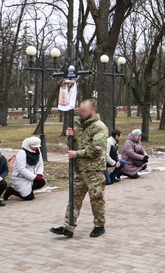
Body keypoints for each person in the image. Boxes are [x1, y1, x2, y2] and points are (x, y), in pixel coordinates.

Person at [51, 99, 108, 238]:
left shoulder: (99, 127)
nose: (80, 113)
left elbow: (96, 150)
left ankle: (99, 225)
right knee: (74, 198)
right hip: (79, 170)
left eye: (84, 111)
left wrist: (77, 154)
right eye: (80, 110)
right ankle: (68, 226)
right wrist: (69, 137)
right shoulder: (78, 126)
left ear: (93, 110)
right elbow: (73, 145)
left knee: (96, 199)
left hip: (94, 171)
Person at [3, 137, 47, 203]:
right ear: (28, 146)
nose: (36, 148)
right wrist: (34, 177)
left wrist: (39, 174)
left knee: (41, 182)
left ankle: (27, 191)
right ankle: (11, 190)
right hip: (20, 178)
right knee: (29, 197)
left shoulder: (38, 151)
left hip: (31, 177)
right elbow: (21, 169)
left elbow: (40, 164)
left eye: (37, 146)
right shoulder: (22, 153)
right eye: (34, 147)